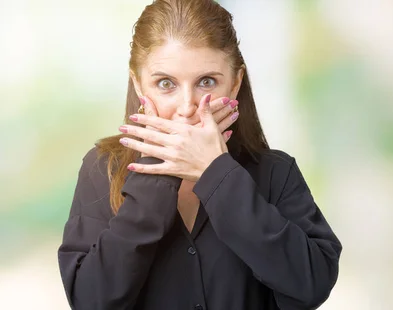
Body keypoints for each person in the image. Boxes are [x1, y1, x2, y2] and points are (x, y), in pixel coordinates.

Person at [57, 0, 342, 309]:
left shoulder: (276, 173)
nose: (187, 107)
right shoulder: (102, 169)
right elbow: (91, 302)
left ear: (234, 85)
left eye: (206, 82)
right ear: (139, 85)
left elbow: (311, 285)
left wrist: (217, 175)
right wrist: (159, 173)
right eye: (166, 83)